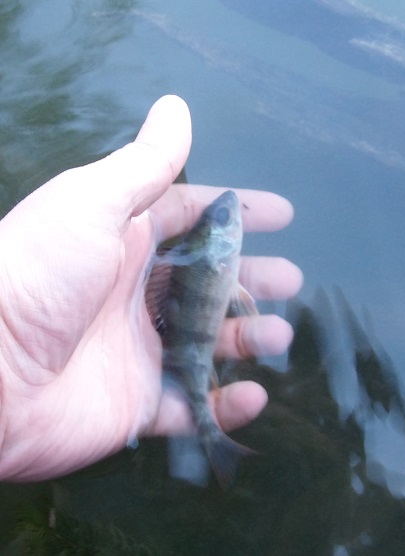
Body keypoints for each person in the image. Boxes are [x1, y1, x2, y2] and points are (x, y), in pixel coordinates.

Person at [0, 95, 303, 482]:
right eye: (226, 219)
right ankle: (213, 437)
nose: (233, 217)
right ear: (219, 242)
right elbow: (227, 295)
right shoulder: (214, 262)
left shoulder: (210, 261)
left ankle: (212, 435)